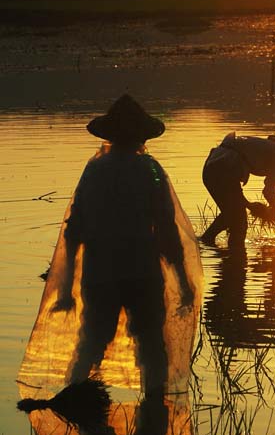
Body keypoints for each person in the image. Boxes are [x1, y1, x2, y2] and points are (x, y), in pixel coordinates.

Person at [18, 94, 202, 400]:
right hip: (142, 272)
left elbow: (74, 230)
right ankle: (152, 415)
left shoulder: (95, 171)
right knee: (152, 347)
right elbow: (168, 229)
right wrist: (182, 281)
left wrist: (64, 290)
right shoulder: (150, 171)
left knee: (91, 342)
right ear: (143, 136)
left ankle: (78, 402)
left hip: (99, 274)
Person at [200, 132, 275, 250]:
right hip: (225, 167)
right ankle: (236, 258)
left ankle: (205, 244)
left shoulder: (273, 149)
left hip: (212, 167)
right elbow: (268, 191)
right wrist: (274, 208)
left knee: (230, 215)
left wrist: (250, 206)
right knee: (240, 223)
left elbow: (239, 194)